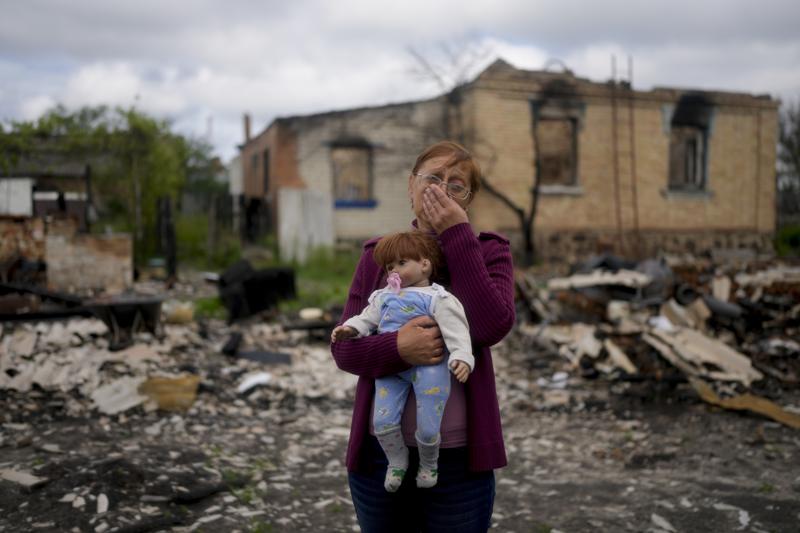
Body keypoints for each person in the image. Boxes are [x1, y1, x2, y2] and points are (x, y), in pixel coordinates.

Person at [330, 140, 515, 532]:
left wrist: (457, 235)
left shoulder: (489, 252)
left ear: (468, 200)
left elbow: (490, 326)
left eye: (456, 185)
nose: (442, 190)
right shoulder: (380, 255)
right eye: (432, 178)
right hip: (380, 455)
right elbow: (344, 350)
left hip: (459, 462)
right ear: (410, 187)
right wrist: (399, 347)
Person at [331, 231, 474, 492]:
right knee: (382, 422)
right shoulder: (383, 297)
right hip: (392, 367)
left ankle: (429, 463)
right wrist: (349, 328)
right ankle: (397, 461)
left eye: (402, 262)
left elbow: (457, 330)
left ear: (425, 264)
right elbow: (366, 319)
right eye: (389, 267)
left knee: (429, 425)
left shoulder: (438, 298)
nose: (394, 271)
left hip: (430, 367)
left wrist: (462, 357)